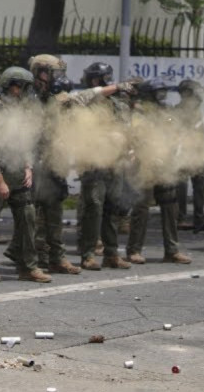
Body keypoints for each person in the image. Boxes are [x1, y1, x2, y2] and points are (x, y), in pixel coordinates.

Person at [0, 67, 50, 283]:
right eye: (23, 87)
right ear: (12, 87)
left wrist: (28, 166)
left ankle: (28, 267)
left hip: (18, 174)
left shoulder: (18, 111)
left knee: (28, 217)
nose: (25, 92)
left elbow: (24, 141)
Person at [73, 62, 136, 271]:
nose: (109, 81)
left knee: (112, 209)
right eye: (104, 77)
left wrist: (129, 151)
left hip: (115, 162)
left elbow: (126, 129)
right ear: (94, 80)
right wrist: (117, 87)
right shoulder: (85, 100)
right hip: (94, 162)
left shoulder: (118, 104)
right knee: (94, 208)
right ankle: (88, 254)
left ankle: (111, 254)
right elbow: (87, 97)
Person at [23, 54, 80, 274]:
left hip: (54, 161)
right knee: (33, 214)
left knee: (55, 210)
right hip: (35, 162)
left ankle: (57, 257)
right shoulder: (29, 99)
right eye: (51, 73)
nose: (56, 78)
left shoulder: (55, 98)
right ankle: (33, 257)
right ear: (39, 73)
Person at [123, 81, 191, 265]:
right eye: (158, 92)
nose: (162, 95)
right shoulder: (139, 113)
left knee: (170, 206)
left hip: (164, 164)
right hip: (144, 165)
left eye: (163, 92)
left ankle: (172, 250)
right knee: (141, 207)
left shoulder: (165, 111)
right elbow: (136, 138)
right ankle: (134, 250)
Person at [174, 79, 204, 230]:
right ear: (186, 94)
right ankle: (180, 218)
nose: (198, 96)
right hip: (182, 153)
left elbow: (203, 131)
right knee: (181, 186)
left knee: (199, 185)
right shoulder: (176, 112)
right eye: (195, 92)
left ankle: (199, 219)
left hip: (197, 153)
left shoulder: (198, 113)